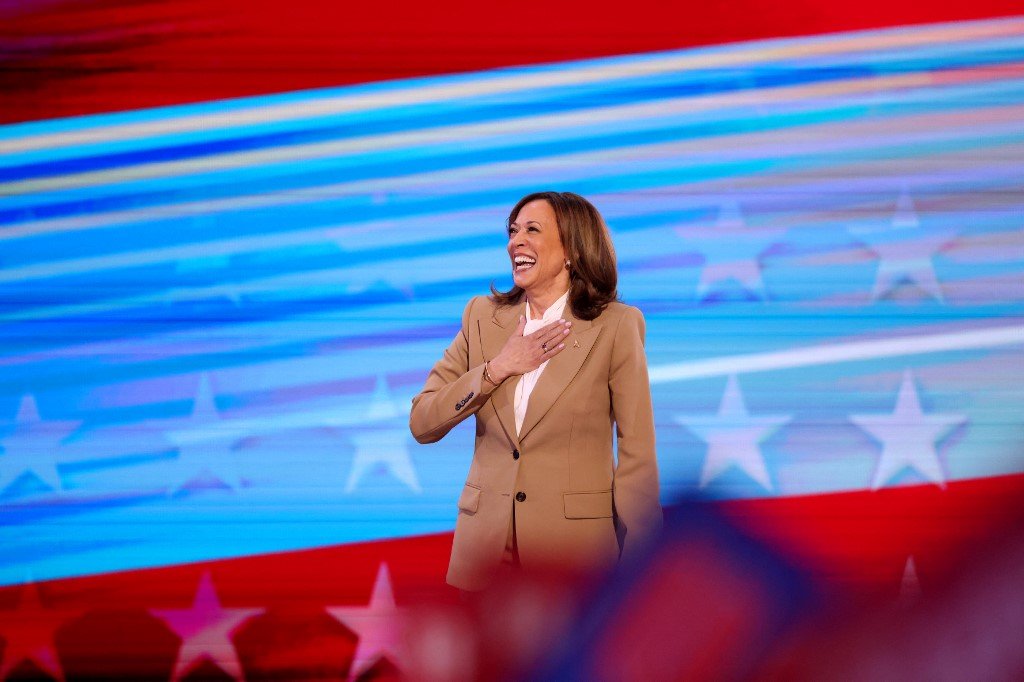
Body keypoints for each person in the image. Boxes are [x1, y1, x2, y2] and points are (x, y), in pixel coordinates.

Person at [409, 191, 662, 591]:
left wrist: (641, 567)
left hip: (572, 562)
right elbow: (423, 422)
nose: (515, 242)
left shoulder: (617, 326)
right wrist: (497, 369)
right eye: (512, 231)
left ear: (571, 251)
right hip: (484, 561)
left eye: (532, 230)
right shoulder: (481, 317)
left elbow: (637, 458)